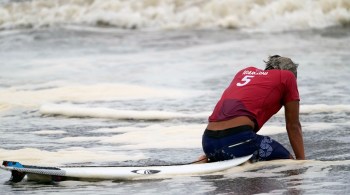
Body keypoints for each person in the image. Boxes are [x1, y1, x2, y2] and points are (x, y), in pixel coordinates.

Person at [199, 55, 305, 163]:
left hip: (208, 142)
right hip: (237, 140)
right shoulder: (287, 76)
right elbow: (293, 126)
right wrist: (301, 161)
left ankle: (209, 158)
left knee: (242, 150)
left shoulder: (245, 72)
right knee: (288, 162)